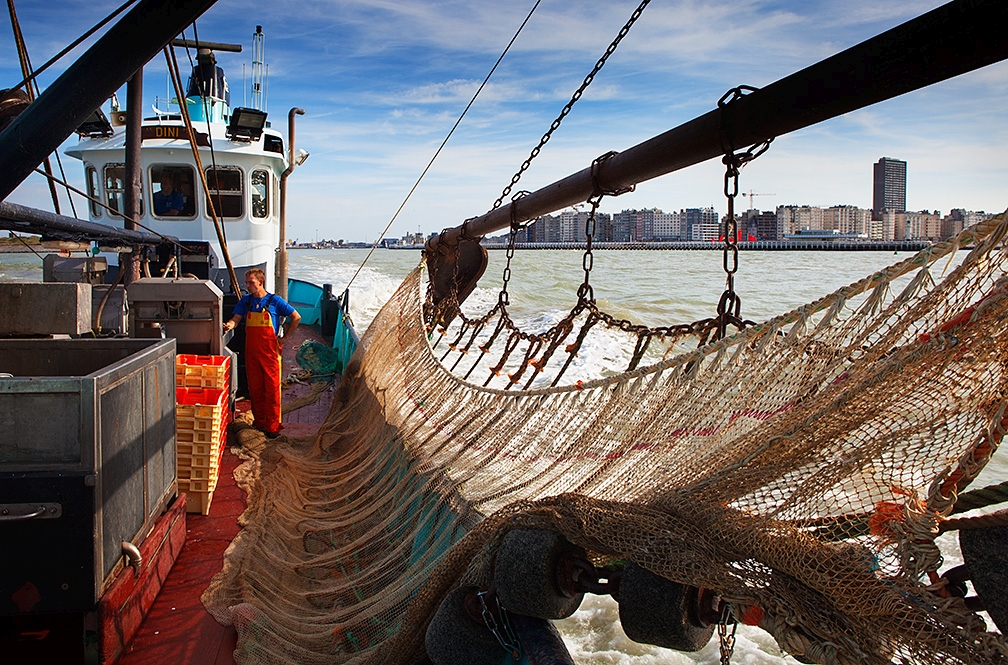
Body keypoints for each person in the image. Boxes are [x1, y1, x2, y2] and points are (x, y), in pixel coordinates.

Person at [223, 269, 300, 437]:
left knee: (272, 390)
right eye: (246, 282)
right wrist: (229, 324)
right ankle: (259, 423)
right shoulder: (246, 301)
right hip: (251, 353)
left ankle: (272, 427)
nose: (247, 286)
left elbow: (296, 317)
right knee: (255, 389)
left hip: (270, 354)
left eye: (251, 282)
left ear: (260, 282)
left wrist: (285, 338)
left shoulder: (275, 301)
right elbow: (236, 319)